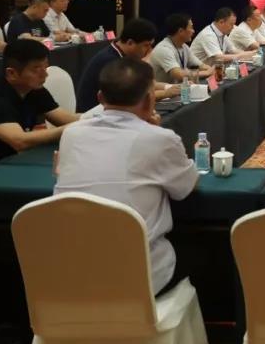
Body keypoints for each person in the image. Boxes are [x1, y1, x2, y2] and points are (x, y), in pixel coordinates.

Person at [54, 59, 198, 296]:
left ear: (100, 98)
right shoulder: (160, 138)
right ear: (150, 100)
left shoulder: (71, 134)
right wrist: (154, 130)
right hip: (139, 277)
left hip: (73, 274)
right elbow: (188, 186)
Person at [0, 40, 78, 173]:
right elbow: (19, 141)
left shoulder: (34, 90)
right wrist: (71, 128)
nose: (45, 74)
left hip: (9, 161)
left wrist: (96, 116)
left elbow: (64, 118)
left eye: (45, 67)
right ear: (12, 73)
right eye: (36, 69)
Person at [77, 18, 161, 113]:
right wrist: (166, 93)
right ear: (130, 43)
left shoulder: (121, 54)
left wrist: (167, 88)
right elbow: (131, 96)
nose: (150, 50)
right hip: (94, 115)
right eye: (146, 45)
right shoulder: (110, 61)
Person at [149, 13, 214, 85]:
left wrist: (210, 70)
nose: (193, 31)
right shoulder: (164, 49)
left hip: (180, 88)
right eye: (191, 27)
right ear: (180, 31)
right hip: (164, 91)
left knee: (211, 87)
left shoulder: (184, 47)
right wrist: (206, 73)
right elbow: (179, 75)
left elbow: (201, 65)